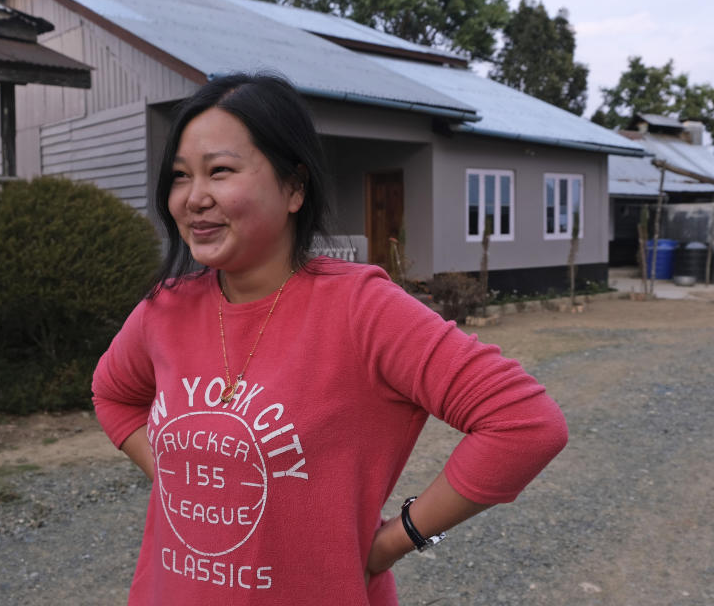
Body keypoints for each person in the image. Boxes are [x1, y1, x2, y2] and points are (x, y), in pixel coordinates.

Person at [92, 73, 568, 605]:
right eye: (180, 176)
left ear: (294, 188)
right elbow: (112, 396)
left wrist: (399, 538)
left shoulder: (362, 310)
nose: (194, 198)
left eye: (220, 171)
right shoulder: (166, 309)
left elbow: (525, 425)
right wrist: (183, 478)